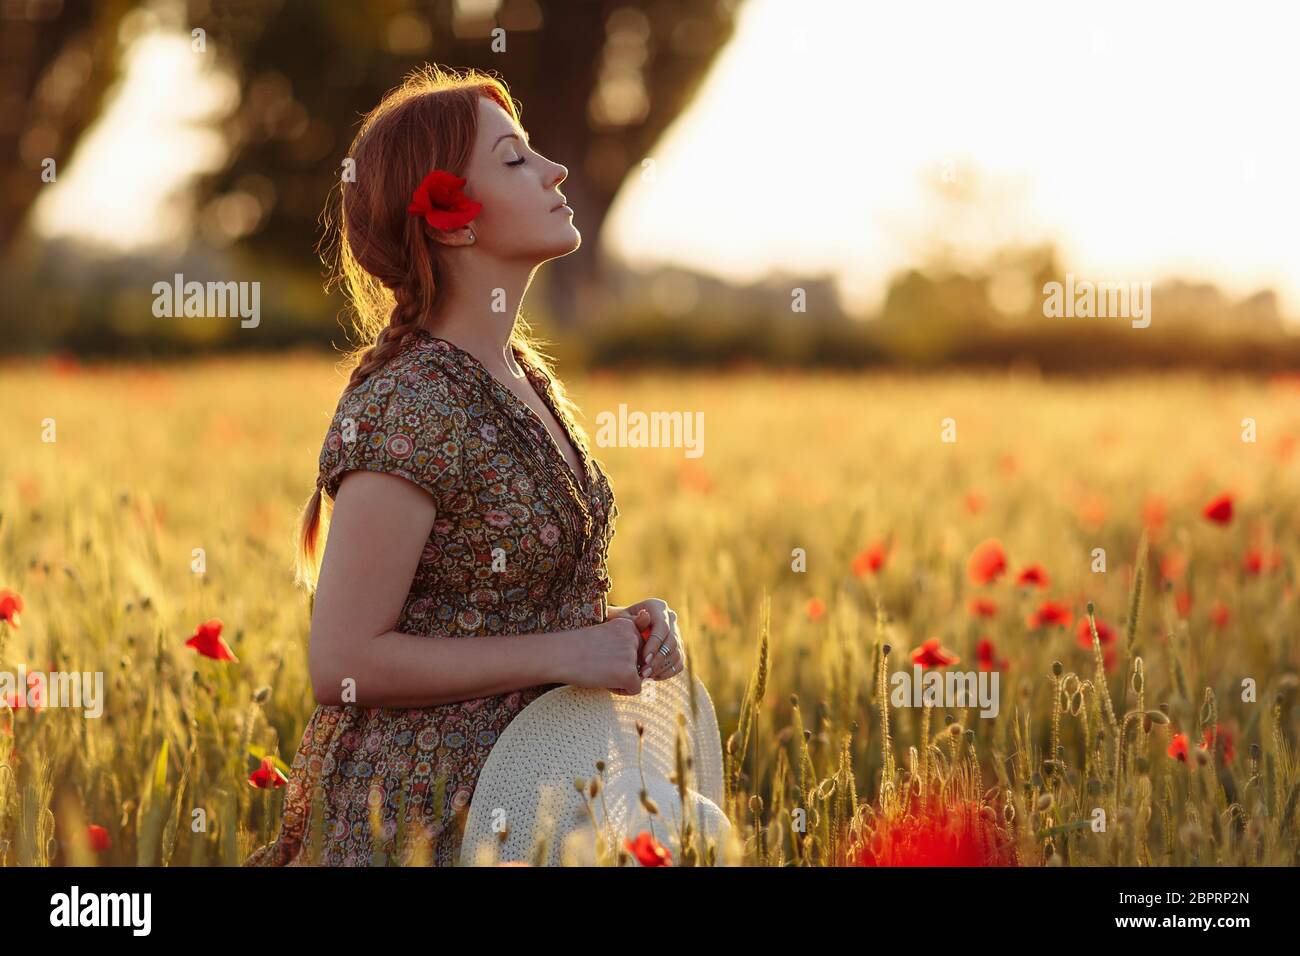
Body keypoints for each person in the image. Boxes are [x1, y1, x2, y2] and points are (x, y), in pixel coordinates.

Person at [243, 65, 684, 867]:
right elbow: (342, 661)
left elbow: (520, 606)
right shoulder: (414, 402)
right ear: (450, 222)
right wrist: (565, 651)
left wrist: (625, 629)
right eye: (514, 159)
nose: (553, 170)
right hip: (425, 822)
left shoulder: (524, 379)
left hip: (536, 798)